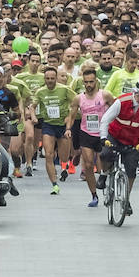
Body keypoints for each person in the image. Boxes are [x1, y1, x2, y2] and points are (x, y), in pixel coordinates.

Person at [97, 77, 139, 215]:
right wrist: (103, 137)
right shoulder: (121, 101)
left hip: (133, 140)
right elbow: (106, 119)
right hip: (115, 136)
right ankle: (104, 174)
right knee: (105, 155)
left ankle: (126, 199)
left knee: (131, 170)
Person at [70, 67, 112, 207]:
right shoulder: (78, 98)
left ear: (96, 81)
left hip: (103, 132)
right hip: (86, 133)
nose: (89, 85)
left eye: (91, 82)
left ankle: (106, 179)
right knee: (88, 165)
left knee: (105, 162)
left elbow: (116, 109)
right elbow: (72, 115)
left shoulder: (105, 95)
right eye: (86, 82)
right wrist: (68, 129)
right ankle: (94, 195)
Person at [33, 66, 76, 195]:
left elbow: (75, 103)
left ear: (56, 78)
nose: (50, 81)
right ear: (44, 79)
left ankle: (65, 163)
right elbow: (33, 106)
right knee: (48, 155)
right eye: (47, 78)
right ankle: (54, 184)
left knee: (63, 156)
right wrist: (34, 116)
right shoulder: (40, 92)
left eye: (52, 78)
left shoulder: (64, 90)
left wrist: (70, 117)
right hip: (48, 125)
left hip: (62, 125)